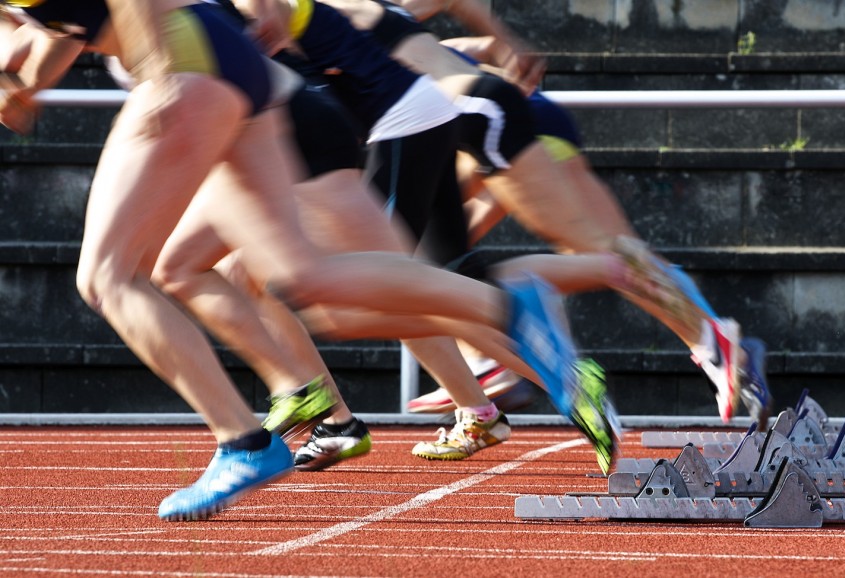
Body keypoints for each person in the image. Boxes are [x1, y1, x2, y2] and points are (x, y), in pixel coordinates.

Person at [0, 0, 588, 520]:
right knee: (302, 280)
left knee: (109, 276)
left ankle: (244, 443)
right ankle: (511, 310)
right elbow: (57, 37)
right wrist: (19, 81)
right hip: (242, 68)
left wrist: (156, 69)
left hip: (190, 66)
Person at [320, 0, 772, 431]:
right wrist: (506, 42)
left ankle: (708, 337)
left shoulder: (305, 18)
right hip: (467, 113)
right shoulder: (355, 12)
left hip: (466, 112)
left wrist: (503, 44)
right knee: (450, 267)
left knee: (409, 272)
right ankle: (493, 360)